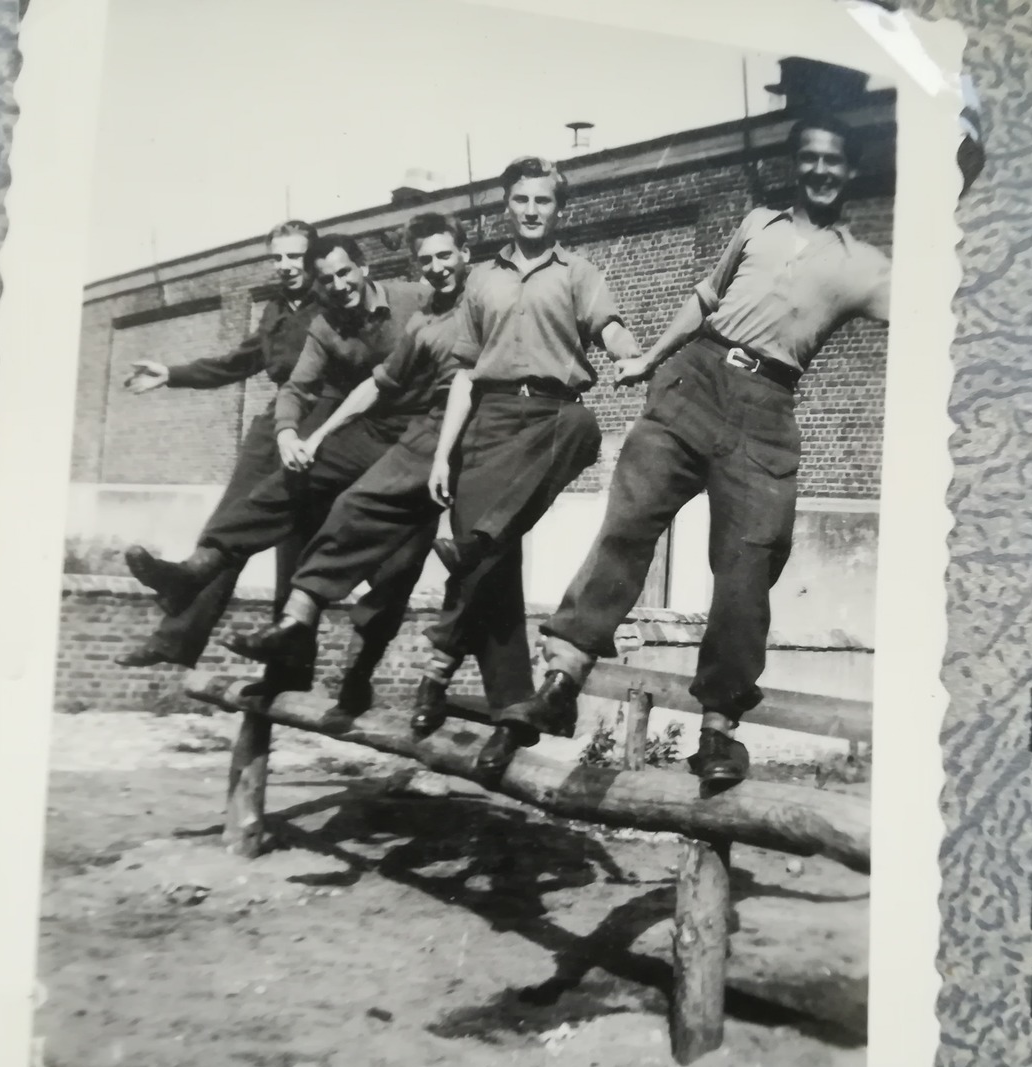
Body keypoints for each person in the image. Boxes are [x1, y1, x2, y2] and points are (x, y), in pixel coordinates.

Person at [486, 113, 892, 789]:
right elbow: (706, 299)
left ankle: (719, 732)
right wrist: (649, 357)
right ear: (798, 164)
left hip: (767, 410)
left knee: (747, 566)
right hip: (693, 380)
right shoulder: (758, 223)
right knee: (627, 525)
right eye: (811, 158)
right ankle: (562, 680)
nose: (822, 170)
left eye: (835, 162)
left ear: (851, 171)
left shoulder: (866, 265)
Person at [220, 158, 642, 773]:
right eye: (520, 199)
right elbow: (466, 373)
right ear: (507, 206)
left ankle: (458, 630)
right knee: (484, 569)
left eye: (542, 201)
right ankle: (510, 715)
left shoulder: (578, 273)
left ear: (559, 208)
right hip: (487, 420)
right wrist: (444, 454)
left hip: (552, 413)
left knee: (516, 508)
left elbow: (609, 326)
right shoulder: (480, 286)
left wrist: (630, 354)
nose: (531, 210)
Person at [126, 225, 453, 727]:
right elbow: (291, 382)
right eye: (328, 277)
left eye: (345, 271)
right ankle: (198, 572)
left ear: (364, 269)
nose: (338, 284)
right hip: (354, 431)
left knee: (396, 566)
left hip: (416, 439)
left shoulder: (415, 299)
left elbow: (468, 316)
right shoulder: (311, 320)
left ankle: (356, 673)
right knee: (281, 494)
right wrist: (284, 432)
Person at [114, 219, 323, 671]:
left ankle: (287, 669)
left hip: (322, 426)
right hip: (274, 425)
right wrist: (172, 373)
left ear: (313, 257)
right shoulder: (276, 309)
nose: (285, 266)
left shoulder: (336, 302)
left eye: (294, 256)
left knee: (298, 549)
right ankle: (175, 640)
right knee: (227, 528)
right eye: (278, 257)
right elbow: (241, 361)